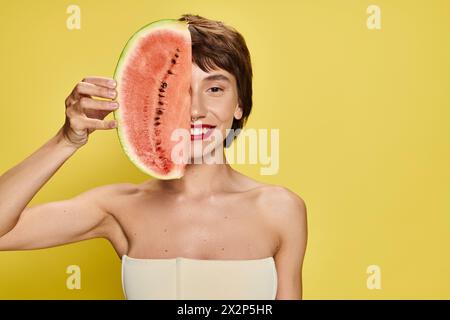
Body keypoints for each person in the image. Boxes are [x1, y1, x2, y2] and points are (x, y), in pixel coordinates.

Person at [0, 14, 307, 300]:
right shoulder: (118, 208)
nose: (196, 110)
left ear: (239, 104)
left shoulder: (280, 210)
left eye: (214, 88)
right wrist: (65, 141)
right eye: (179, 91)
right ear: (157, 103)